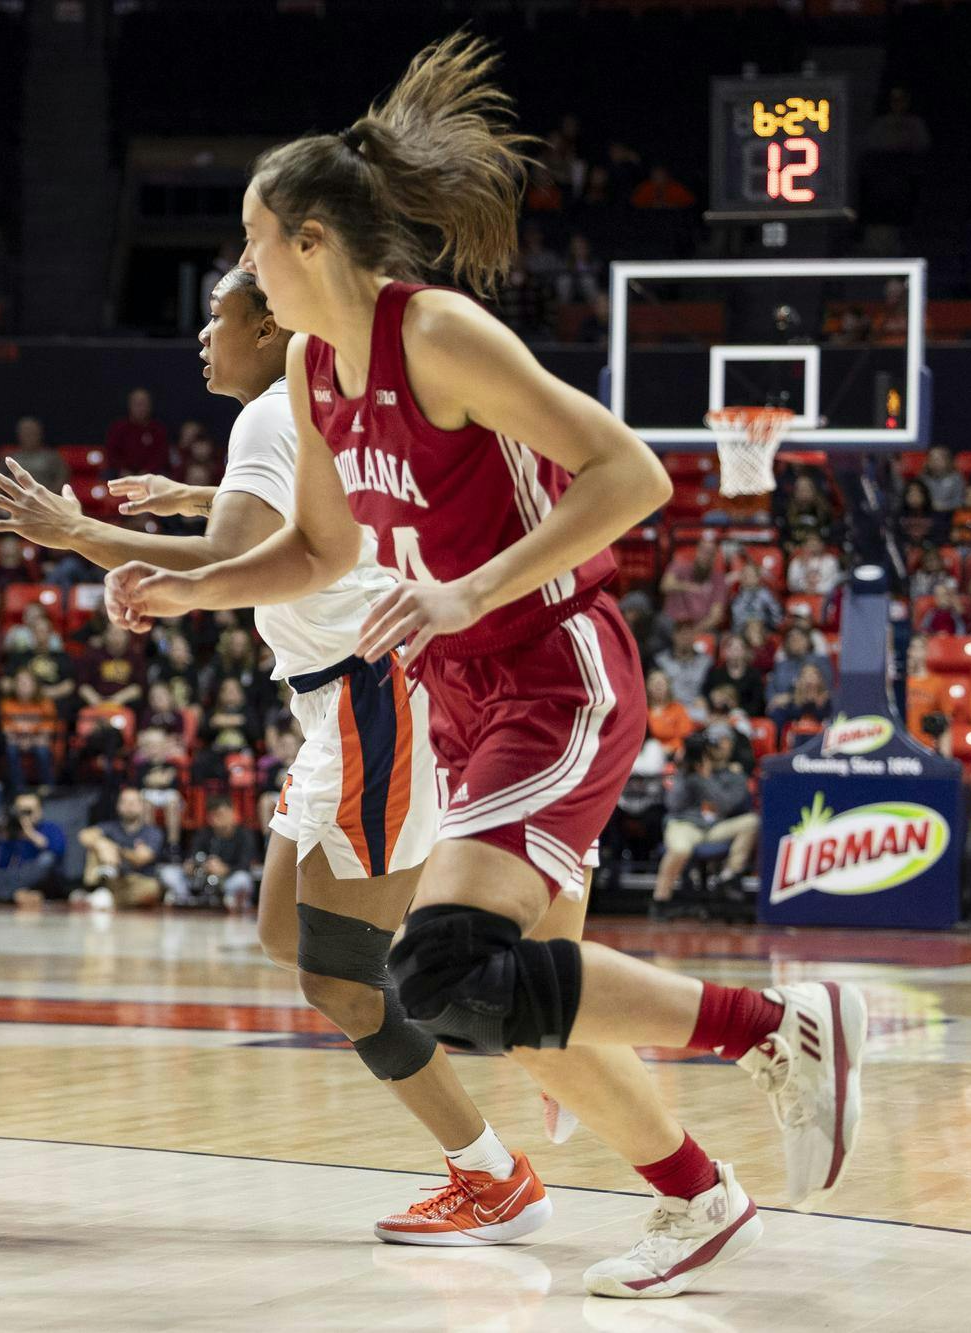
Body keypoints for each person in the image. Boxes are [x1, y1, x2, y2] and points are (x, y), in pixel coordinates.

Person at [102, 37, 861, 1298]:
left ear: (306, 241)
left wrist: (466, 586)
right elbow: (318, 550)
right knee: (523, 1007)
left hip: (551, 668)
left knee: (441, 970)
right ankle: (695, 1200)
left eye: (249, 242)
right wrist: (191, 585)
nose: (236, 269)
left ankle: (773, 1027)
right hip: (464, 696)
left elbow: (631, 473)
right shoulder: (308, 367)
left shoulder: (437, 334)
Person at [0, 263, 546, 1244]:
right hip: (339, 705)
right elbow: (301, 530)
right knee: (286, 933)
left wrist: (76, 532)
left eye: (214, 315)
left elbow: (227, 569)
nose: (200, 336)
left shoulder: (270, 413)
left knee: (335, 977)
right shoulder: (308, 403)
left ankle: (499, 1150)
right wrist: (197, 495)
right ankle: (501, 983)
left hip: (371, 698)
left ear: (267, 320)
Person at [651, 731, 760, 921]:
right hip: (684, 826)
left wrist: (705, 778)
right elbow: (673, 805)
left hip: (714, 827)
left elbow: (725, 805)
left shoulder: (734, 775)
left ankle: (729, 874)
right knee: (680, 849)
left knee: (752, 821)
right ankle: (661, 900)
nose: (712, 753)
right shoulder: (685, 772)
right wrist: (685, 773)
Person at [160, 795, 260, 910]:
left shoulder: (244, 835)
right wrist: (192, 866)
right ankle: (184, 898)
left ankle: (229, 901)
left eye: (221, 814)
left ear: (232, 813)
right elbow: (193, 855)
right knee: (168, 873)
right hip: (203, 878)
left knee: (242, 879)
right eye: (213, 815)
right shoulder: (204, 833)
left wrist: (225, 869)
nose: (217, 819)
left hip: (227, 879)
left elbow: (245, 864)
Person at [76, 787, 167, 909]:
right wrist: (102, 844)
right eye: (124, 802)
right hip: (112, 879)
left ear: (142, 806)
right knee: (95, 847)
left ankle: (102, 898)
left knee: (152, 889)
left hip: (137, 880)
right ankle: (97, 890)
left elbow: (141, 859)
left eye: (133, 802)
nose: (129, 806)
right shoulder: (110, 827)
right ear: (118, 806)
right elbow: (84, 835)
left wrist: (116, 850)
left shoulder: (152, 832)